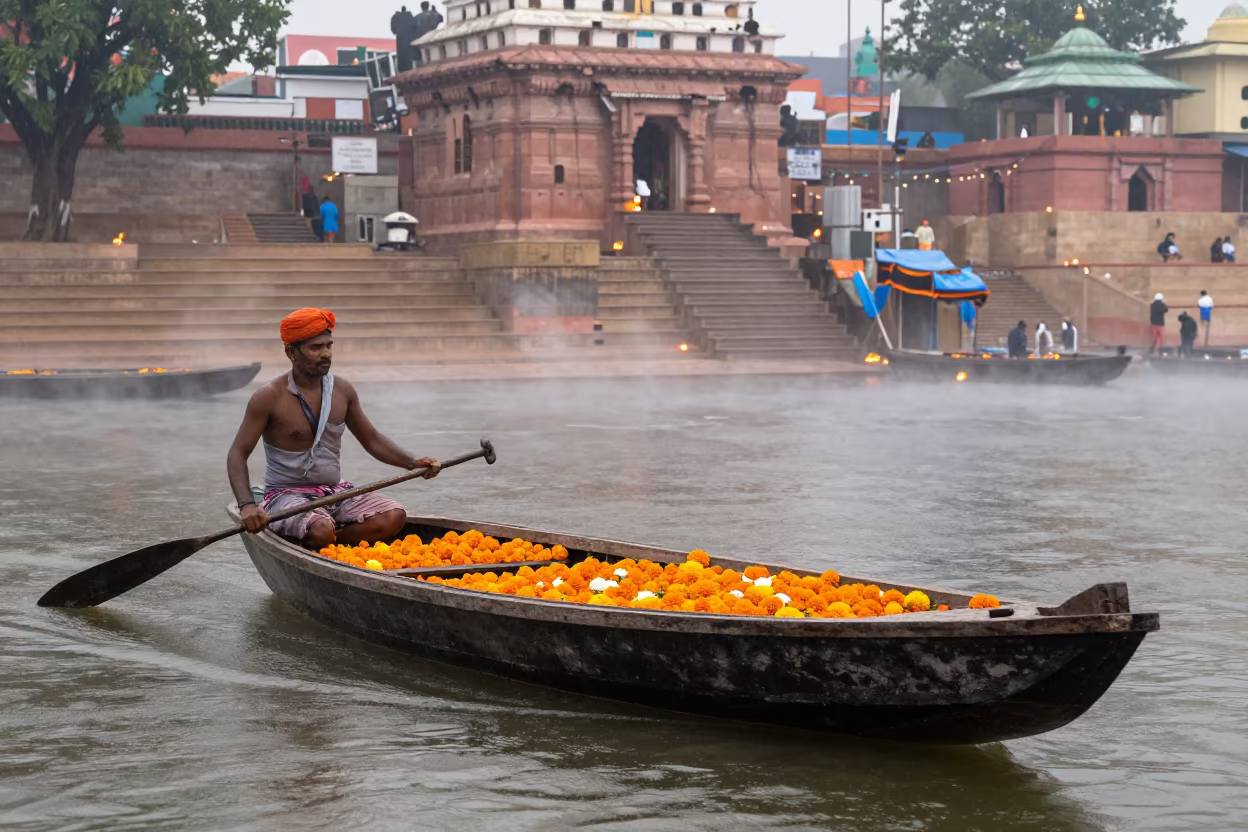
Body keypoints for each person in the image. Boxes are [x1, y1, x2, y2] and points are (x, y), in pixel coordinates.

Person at [226, 308, 442, 549]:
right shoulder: (269, 397)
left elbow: (371, 439)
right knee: (320, 529)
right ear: (291, 353)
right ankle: (319, 536)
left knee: (394, 516)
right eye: (315, 348)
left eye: (329, 346)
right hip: (286, 496)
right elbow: (237, 453)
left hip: (334, 492)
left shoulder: (342, 390)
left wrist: (412, 463)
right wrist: (247, 505)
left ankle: (328, 545)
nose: (326, 354)